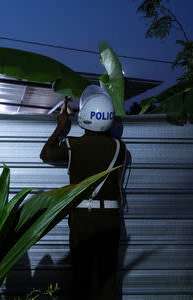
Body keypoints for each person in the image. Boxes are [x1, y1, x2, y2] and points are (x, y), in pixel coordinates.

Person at [40, 85, 126, 300]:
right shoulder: (120, 148)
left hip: (82, 218)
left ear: (85, 117)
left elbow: (46, 154)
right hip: (111, 218)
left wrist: (60, 127)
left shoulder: (72, 145)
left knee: (81, 276)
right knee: (108, 277)